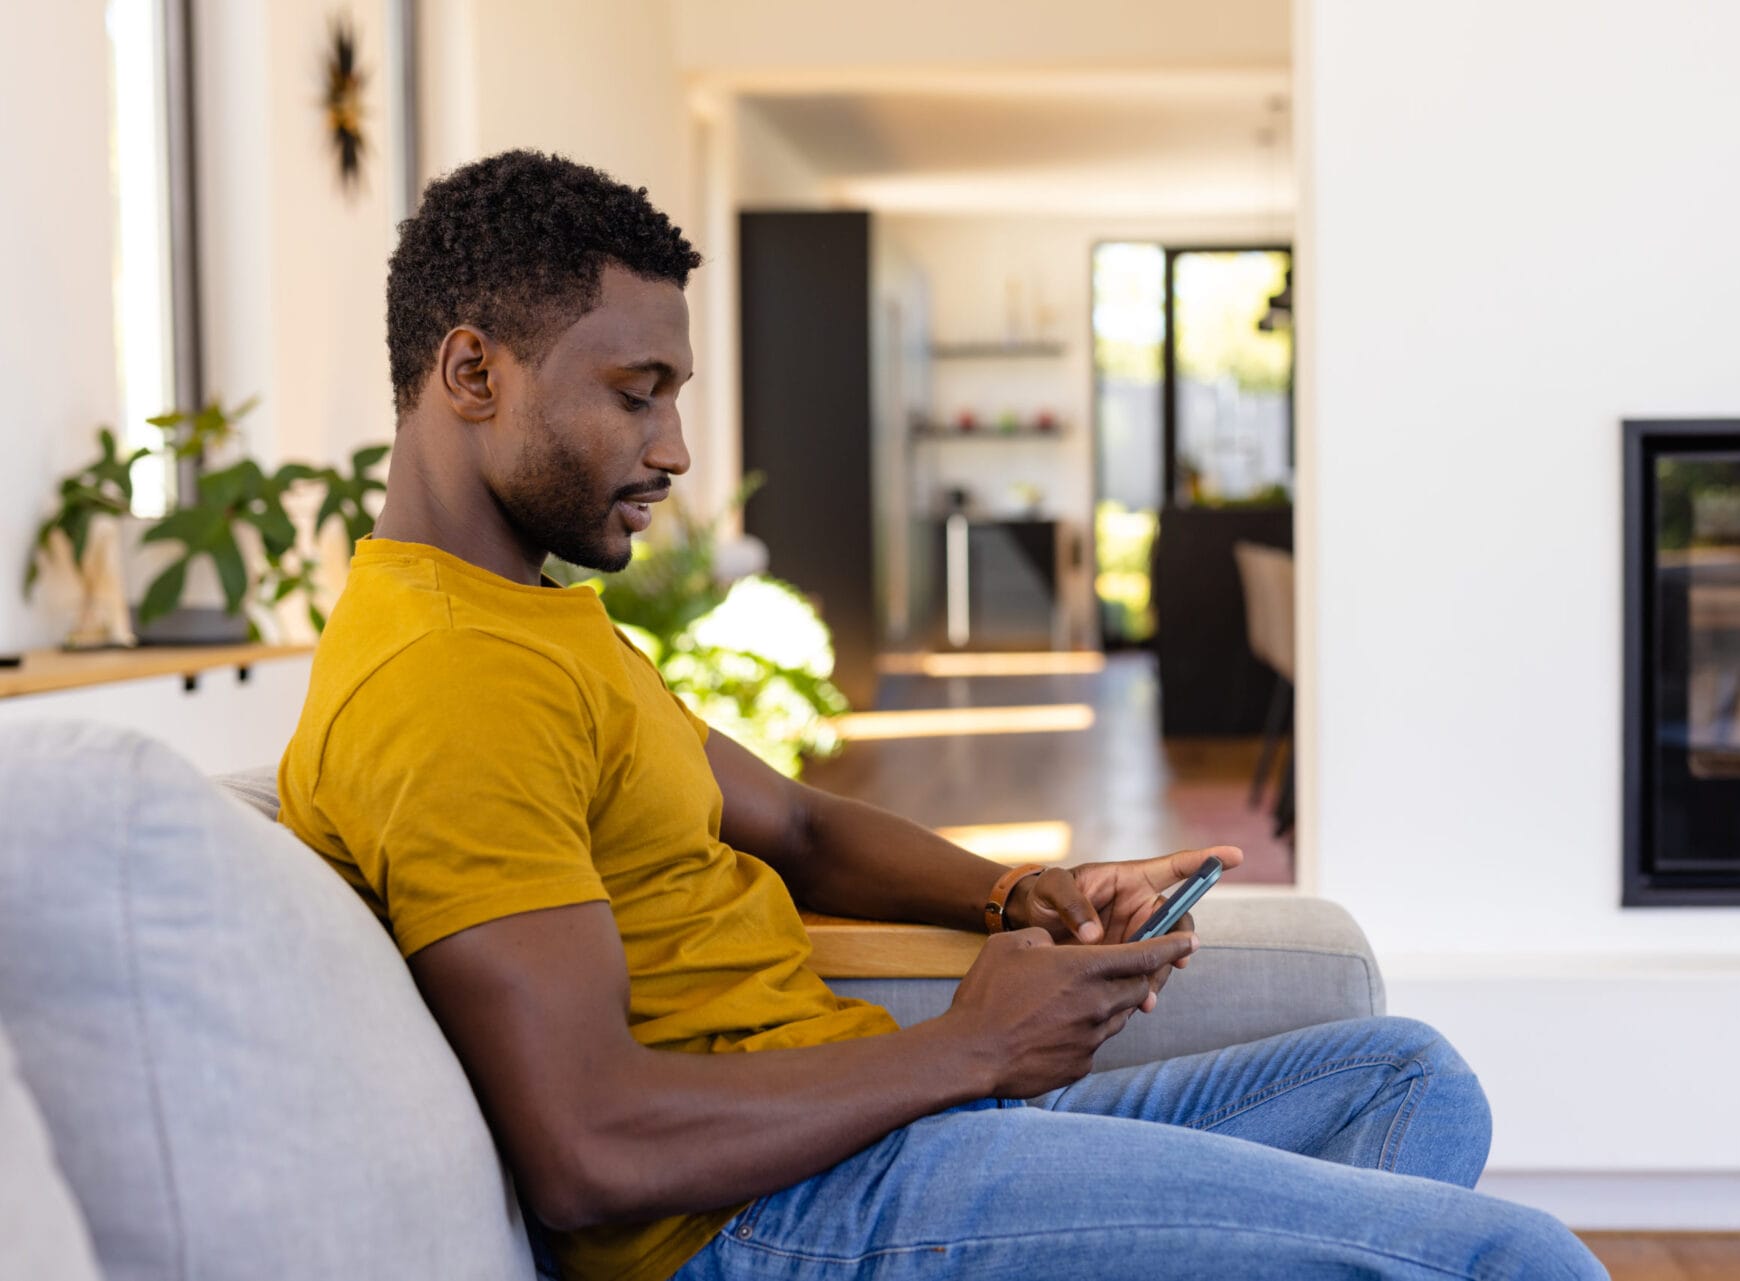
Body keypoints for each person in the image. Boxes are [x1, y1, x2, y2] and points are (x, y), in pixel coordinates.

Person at [278, 150, 1606, 1281]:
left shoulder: (534, 618)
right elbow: (587, 1148)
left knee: (1405, 1078)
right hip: (766, 1223)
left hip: (864, 1138)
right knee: (1510, 1259)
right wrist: (975, 1046)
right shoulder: (443, 684)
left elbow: (792, 814)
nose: (676, 447)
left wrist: (1023, 891)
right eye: (640, 392)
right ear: (470, 374)